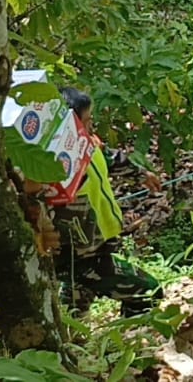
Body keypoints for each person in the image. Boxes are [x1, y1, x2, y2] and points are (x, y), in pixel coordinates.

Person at [51, 86, 162, 315]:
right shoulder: (52, 168)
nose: (90, 126)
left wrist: (142, 174)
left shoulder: (87, 144)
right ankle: (135, 341)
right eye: (86, 121)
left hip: (96, 244)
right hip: (80, 255)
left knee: (74, 310)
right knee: (147, 291)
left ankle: (80, 345)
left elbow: (109, 158)